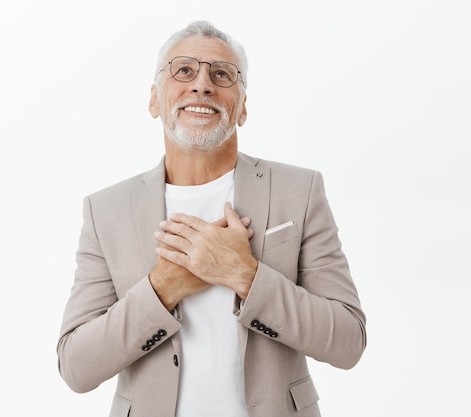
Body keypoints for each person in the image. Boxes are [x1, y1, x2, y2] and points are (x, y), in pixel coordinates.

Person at [57, 21, 366, 417]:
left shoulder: (300, 191)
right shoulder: (106, 210)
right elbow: (76, 367)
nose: (202, 84)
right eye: (184, 70)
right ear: (154, 100)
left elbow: (348, 342)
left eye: (221, 74)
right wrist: (162, 288)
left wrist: (245, 275)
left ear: (243, 107)